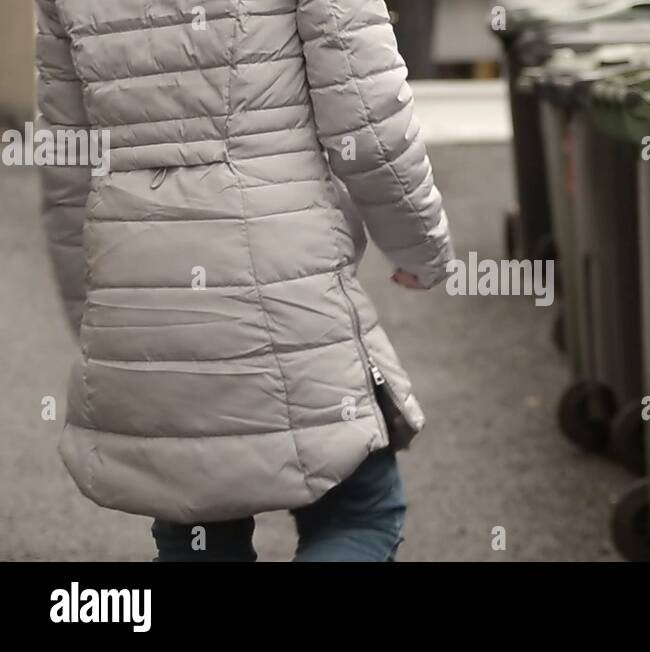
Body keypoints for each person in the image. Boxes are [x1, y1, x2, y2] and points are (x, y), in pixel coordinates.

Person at [34, 0, 454, 561]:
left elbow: (66, 160)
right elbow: (368, 120)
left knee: (198, 532)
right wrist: (421, 247)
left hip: (140, 290)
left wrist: (95, 313)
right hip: (287, 279)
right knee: (358, 511)